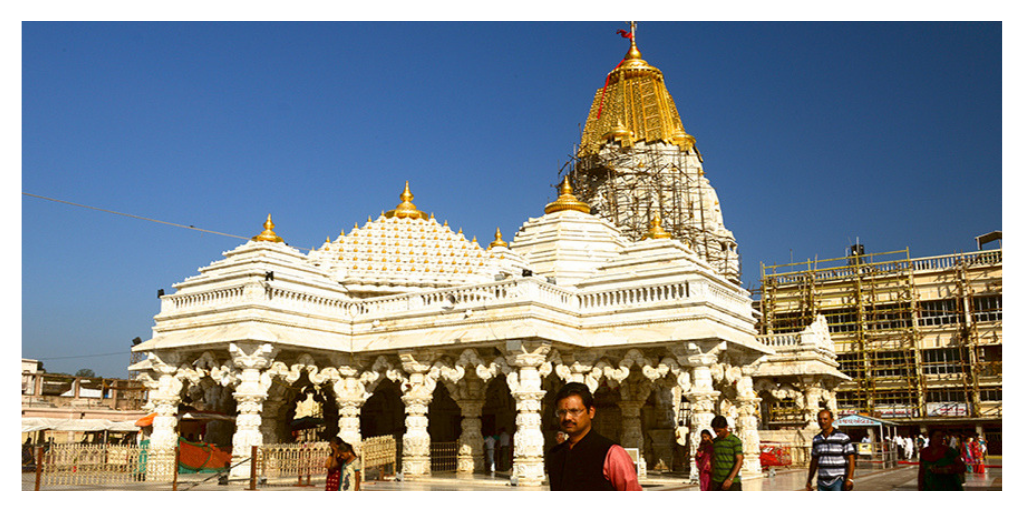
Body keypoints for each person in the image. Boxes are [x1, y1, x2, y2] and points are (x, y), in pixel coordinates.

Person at [545, 382, 642, 491]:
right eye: (562, 412)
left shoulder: (611, 454)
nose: (567, 417)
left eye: (574, 411)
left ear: (591, 412)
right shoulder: (555, 454)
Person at [805, 410, 855, 491]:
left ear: (832, 420)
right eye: (820, 419)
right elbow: (814, 460)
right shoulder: (816, 439)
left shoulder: (842, 437)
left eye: (825, 419)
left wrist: (850, 478)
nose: (822, 421)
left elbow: (851, 458)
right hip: (822, 481)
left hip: (838, 480)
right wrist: (809, 480)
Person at [709, 415, 743, 491]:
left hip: (732, 482)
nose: (717, 434)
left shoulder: (735, 441)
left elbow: (739, 460)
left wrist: (730, 478)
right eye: (715, 431)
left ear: (726, 427)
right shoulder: (714, 442)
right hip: (716, 481)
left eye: (719, 431)